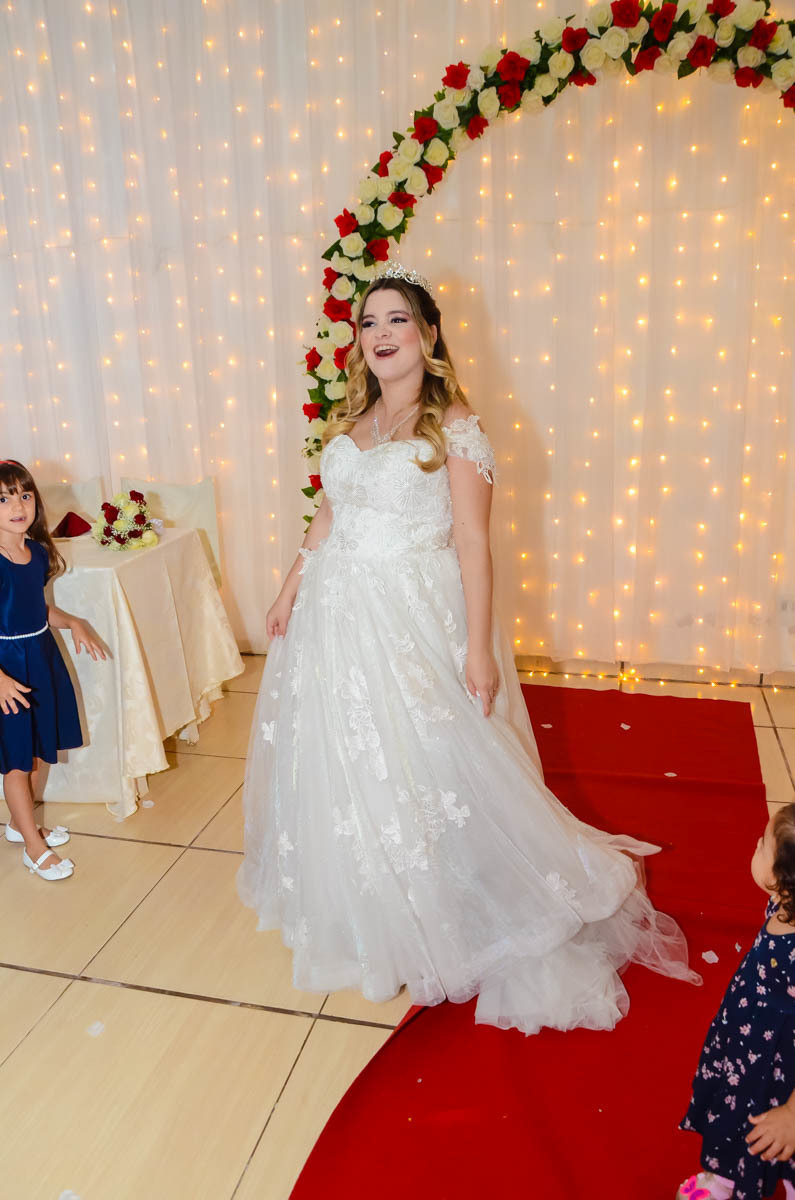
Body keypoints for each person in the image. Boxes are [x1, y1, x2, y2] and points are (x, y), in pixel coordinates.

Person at [238, 263, 700, 1035]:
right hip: (333, 619)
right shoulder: (354, 424)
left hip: (407, 616)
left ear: (426, 333)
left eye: (396, 319)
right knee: (347, 760)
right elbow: (329, 517)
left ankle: (443, 905)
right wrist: (289, 589)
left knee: (425, 758)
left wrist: (479, 649)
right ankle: (370, 911)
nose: (380, 334)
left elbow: (474, 544)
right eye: (368, 322)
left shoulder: (453, 424)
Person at [677, 805, 795, 1200]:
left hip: (783, 1062)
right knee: (740, 1108)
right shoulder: (783, 902)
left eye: (763, 845)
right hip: (752, 1044)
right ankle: (727, 1173)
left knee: (777, 1126)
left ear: (782, 877)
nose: (756, 844)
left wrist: (793, 1113)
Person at [0, 459, 106, 881]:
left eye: (24, 495)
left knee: (37, 751)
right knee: (16, 762)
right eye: (3, 499)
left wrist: (73, 621)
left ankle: (20, 824)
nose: (17, 506)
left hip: (41, 659)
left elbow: (36, 609)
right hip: (7, 669)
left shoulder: (37, 552)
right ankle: (33, 847)